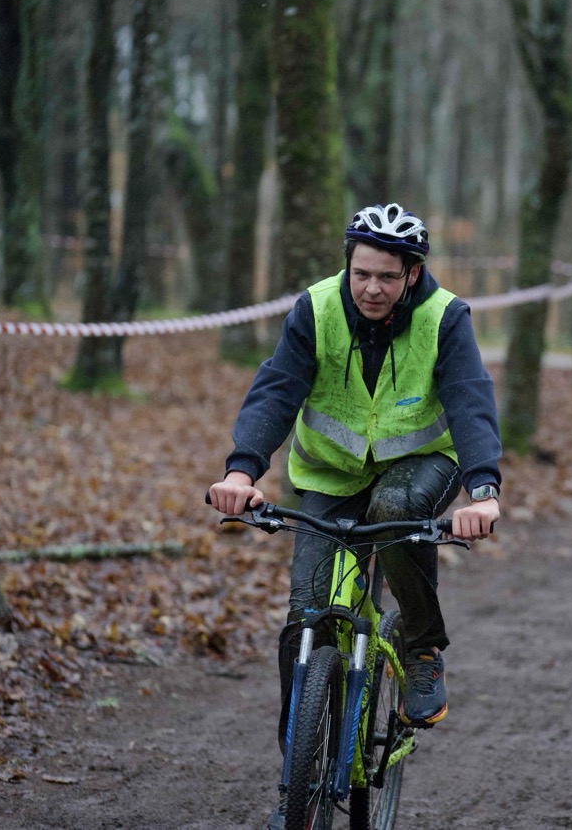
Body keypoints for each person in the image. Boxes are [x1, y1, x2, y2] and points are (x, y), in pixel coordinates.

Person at [207, 203, 502, 830]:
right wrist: (241, 472)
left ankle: (421, 648)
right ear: (348, 264)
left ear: (413, 274)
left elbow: (469, 398)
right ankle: (298, 780)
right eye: (361, 273)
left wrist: (482, 491)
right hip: (331, 475)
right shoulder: (315, 309)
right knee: (305, 622)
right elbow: (277, 389)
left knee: (396, 508)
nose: (371, 288)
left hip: (420, 464)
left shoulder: (444, 317)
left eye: (387, 277)